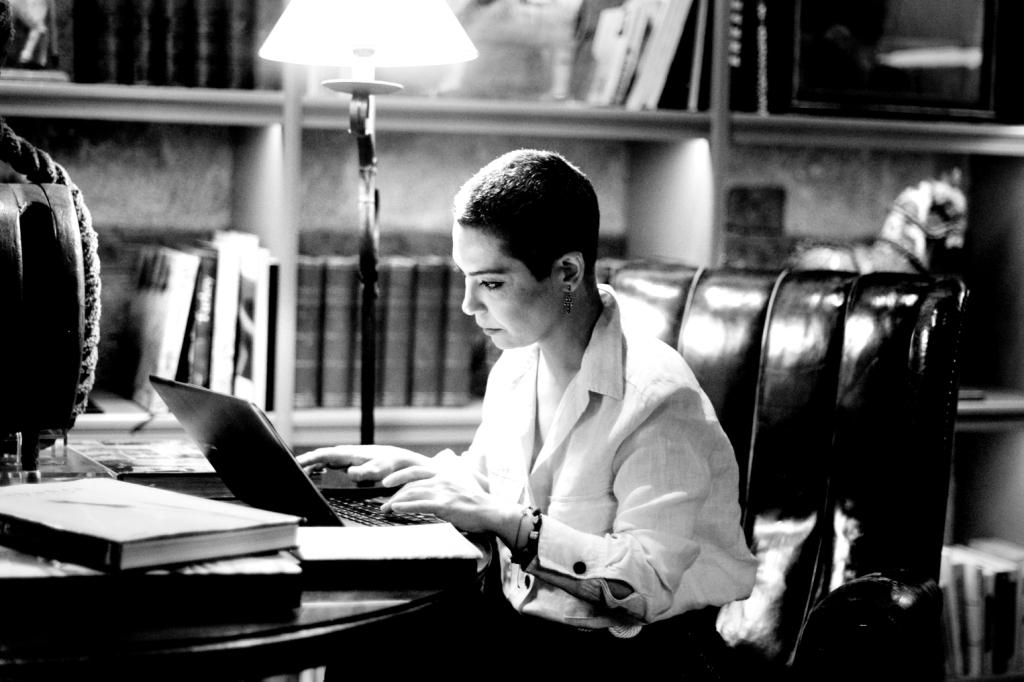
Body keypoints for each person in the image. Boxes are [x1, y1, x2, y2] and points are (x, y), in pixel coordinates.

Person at [298, 149, 756, 677]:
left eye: (491, 283)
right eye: (465, 278)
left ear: (567, 272)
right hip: (526, 633)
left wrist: (511, 523)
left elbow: (647, 581)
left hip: (637, 658)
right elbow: (491, 487)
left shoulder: (657, 398)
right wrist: (414, 468)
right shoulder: (516, 367)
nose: (468, 305)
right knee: (366, 640)